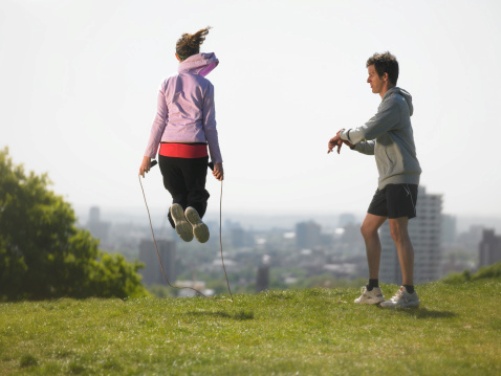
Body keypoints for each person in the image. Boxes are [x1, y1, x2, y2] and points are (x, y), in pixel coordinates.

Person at [327, 52, 421, 308]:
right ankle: (373, 290)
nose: (368, 80)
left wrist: (343, 134)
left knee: (397, 232)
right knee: (368, 228)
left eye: (371, 75)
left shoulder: (395, 103)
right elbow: (375, 145)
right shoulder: (388, 107)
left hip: (401, 176)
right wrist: (352, 144)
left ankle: (409, 293)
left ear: (384, 76)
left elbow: (367, 130)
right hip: (388, 178)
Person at [139, 27, 223, 244]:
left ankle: (176, 211)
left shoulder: (165, 83)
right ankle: (193, 210)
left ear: (177, 57)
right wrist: (218, 161)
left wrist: (147, 157)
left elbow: (159, 121)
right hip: (193, 150)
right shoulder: (206, 86)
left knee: (178, 196)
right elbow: (209, 126)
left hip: (167, 151)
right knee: (197, 195)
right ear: (197, 55)